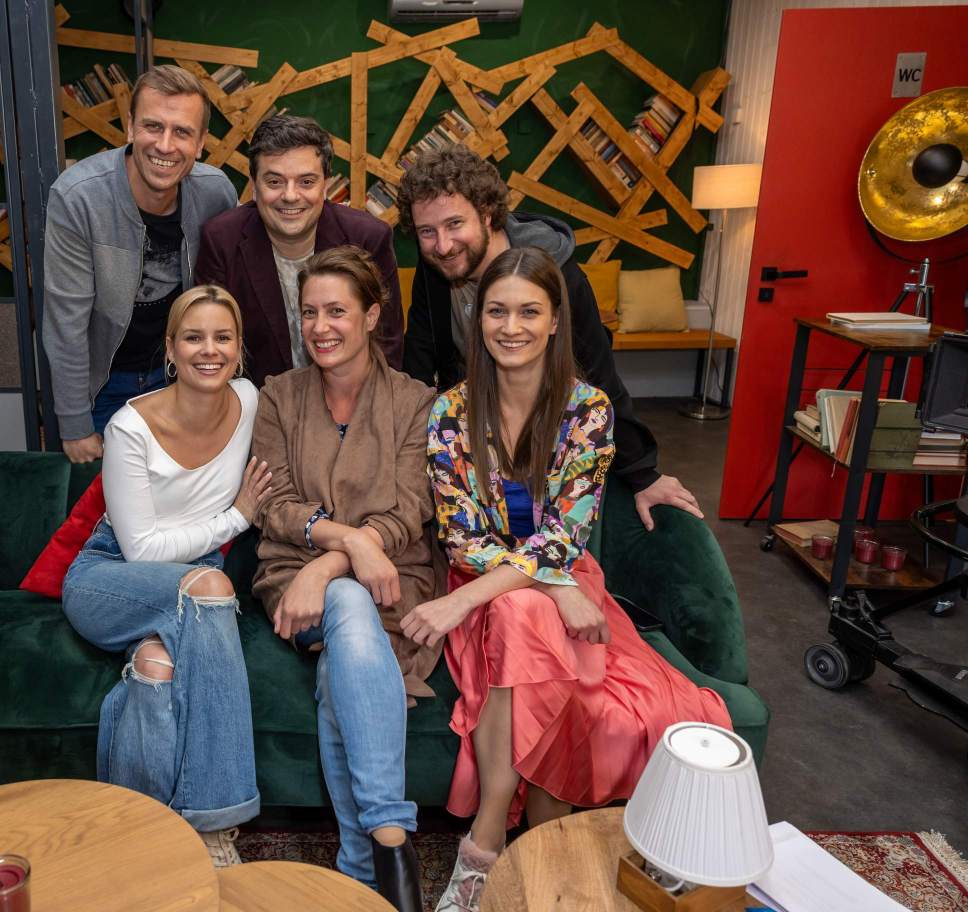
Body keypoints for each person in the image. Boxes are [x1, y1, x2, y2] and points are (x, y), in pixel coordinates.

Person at [402, 247, 733, 912]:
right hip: (494, 580)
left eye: (529, 312)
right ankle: (530, 850)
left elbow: (565, 534)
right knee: (518, 612)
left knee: (522, 618)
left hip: (531, 583)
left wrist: (489, 596)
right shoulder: (449, 412)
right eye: (497, 311)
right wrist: (551, 588)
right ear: (478, 320)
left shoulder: (589, 410)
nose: (511, 327)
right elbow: (463, 537)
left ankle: (487, 847)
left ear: (555, 320)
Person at [61, 285, 272, 868]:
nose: (210, 350)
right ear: (172, 349)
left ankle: (138, 828)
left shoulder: (249, 400)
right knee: (212, 588)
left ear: (239, 349)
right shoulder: (130, 426)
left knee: (155, 670)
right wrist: (237, 518)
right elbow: (142, 549)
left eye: (223, 338)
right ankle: (217, 822)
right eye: (194, 338)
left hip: (190, 581)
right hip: (111, 577)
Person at [251, 246, 433, 912]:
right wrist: (347, 541)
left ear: (372, 315)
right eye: (309, 313)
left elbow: (411, 509)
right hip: (291, 577)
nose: (320, 327)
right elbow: (273, 504)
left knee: (342, 662)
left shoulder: (415, 402)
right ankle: (392, 840)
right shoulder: (278, 396)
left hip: (391, 579)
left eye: (336, 311)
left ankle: (362, 865)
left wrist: (334, 561)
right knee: (350, 603)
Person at [396, 145, 701, 532]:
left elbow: (597, 369)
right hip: (472, 437)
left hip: (548, 447)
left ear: (486, 213)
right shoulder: (438, 266)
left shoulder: (555, 273)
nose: (442, 245)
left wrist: (642, 473)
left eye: (455, 224)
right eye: (427, 232)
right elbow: (420, 360)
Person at [44, 64, 236, 463]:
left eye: (182, 132)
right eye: (153, 126)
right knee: (101, 500)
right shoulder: (79, 197)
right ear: (130, 127)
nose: (165, 145)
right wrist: (75, 424)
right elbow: (66, 322)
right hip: (104, 385)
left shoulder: (216, 194)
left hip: (180, 378)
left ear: (201, 142)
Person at [196, 115, 404, 385]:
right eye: (274, 182)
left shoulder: (367, 238)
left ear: (326, 185)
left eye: (306, 182)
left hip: (351, 396)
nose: (290, 196)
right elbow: (211, 347)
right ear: (254, 185)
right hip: (256, 399)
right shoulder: (221, 240)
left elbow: (386, 346)